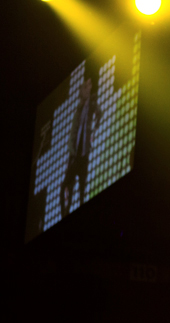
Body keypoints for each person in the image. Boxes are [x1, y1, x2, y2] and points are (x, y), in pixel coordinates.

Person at [60, 71, 103, 218]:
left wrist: (95, 127)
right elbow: (73, 132)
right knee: (65, 186)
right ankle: (64, 213)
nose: (85, 89)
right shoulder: (78, 109)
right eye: (85, 87)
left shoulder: (92, 103)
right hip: (75, 155)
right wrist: (71, 149)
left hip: (83, 155)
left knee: (82, 190)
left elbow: (99, 113)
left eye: (88, 86)